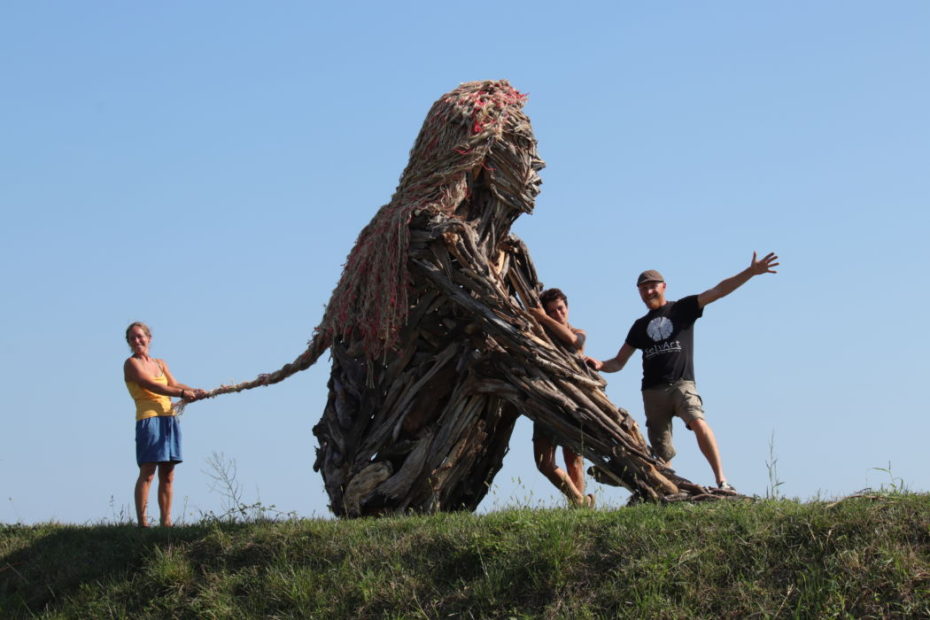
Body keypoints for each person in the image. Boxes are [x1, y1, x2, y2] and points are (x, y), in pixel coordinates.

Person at [587, 252, 779, 491]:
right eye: (643, 288)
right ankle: (666, 492)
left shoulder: (682, 309)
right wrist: (599, 364)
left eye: (652, 286)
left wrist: (750, 272)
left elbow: (718, 291)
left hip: (681, 384)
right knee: (661, 451)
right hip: (652, 392)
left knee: (698, 422)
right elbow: (618, 362)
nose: (648, 292)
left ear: (664, 286)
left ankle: (722, 480)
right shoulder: (638, 326)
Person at [124, 322, 205, 527]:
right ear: (129, 342)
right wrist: (181, 393)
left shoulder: (160, 363)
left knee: (168, 473)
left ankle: (166, 522)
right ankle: (143, 523)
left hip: (169, 418)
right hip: (149, 418)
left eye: (140, 336)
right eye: (133, 338)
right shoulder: (131, 364)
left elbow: (174, 384)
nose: (137, 341)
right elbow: (152, 385)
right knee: (148, 471)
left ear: (149, 338)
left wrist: (194, 390)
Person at [527, 288, 594, 507]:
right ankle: (579, 500)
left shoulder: (579, 332)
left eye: (560, 308)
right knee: (543, 462)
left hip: (573, 402)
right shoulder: (543, 334)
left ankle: (578, 510)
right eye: (552, 311)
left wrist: (543, 318)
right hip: (547, 400)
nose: (558, 314)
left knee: (573, 460)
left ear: (567, 307)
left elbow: (573, 341)